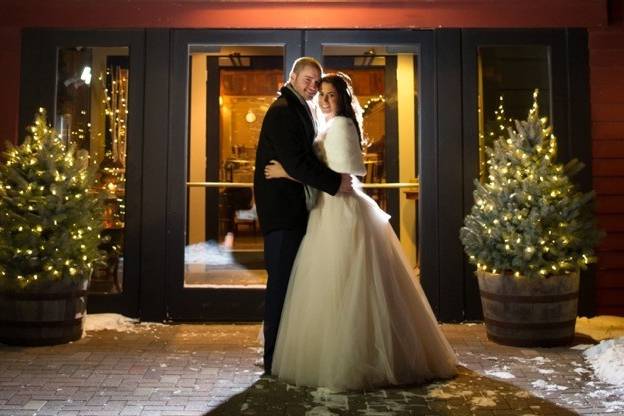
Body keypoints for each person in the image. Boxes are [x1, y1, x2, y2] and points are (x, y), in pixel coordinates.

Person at [264, 73, 458, 391]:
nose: (325, 100)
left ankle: (352, 359)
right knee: (336, 286)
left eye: (331, 95)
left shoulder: (340, 127)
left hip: (340, 213)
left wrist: (288, 172)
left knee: (346, 286)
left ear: (342, 99)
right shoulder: (329, 125)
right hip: (327, 211)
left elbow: (339, 179)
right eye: (322, 94)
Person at [253, 57, 352, 375]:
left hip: (294, 212)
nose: (313, 86)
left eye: (317, 81)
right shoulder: (284, 111)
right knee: (280, 288)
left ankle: (283, 357)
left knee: (290, 287)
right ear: (292, 77)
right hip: (283, 214)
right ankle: (273, 362)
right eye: (307, 79)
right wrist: (335, 183)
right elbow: (298, 163)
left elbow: (297, 163)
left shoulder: (297, 108)